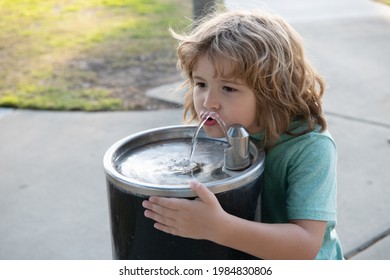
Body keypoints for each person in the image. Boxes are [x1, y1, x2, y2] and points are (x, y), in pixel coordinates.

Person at [142, 9, 344, 260]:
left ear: (272, 91)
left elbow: (305, 246)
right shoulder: (217, 130)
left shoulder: (309, 148)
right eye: (201, 84)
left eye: (228, 88)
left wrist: (218, 228)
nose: (209, 102)